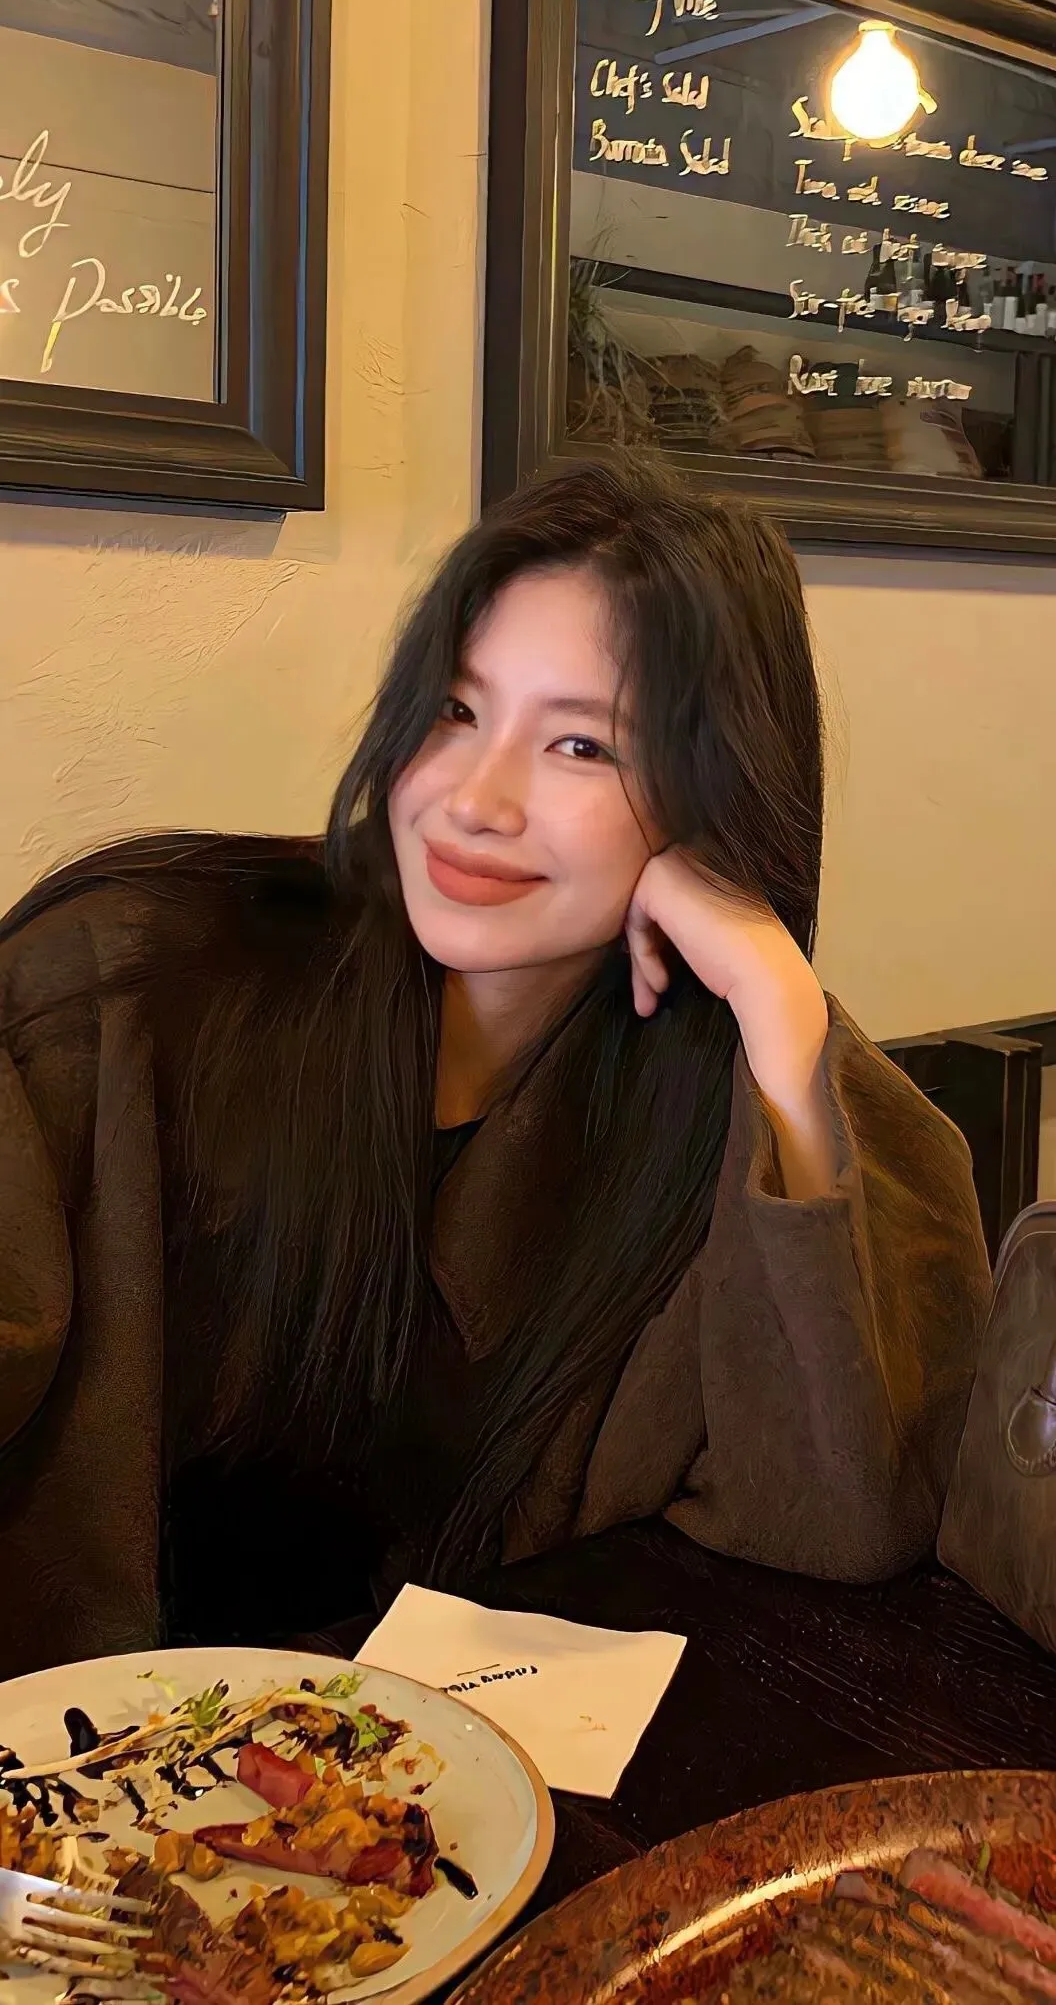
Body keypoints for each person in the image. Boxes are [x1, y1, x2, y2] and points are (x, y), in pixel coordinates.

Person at [0, 458, 990, 1675]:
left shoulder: (727, 1091)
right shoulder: (129, 983)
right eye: (456, 712)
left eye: (580, 744)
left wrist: (781, 1015)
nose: (475, 799)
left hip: (479, 1769)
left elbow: (853, 1520)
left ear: (716, 803)